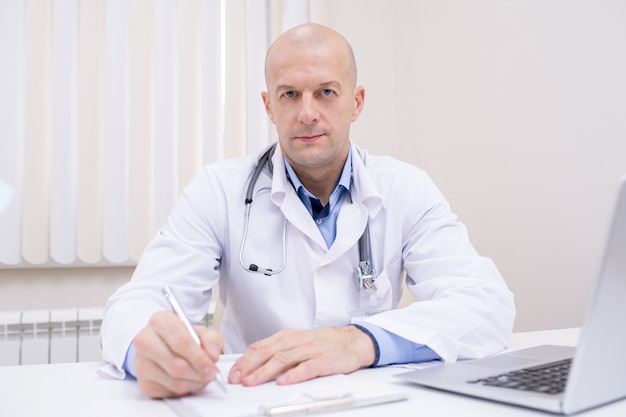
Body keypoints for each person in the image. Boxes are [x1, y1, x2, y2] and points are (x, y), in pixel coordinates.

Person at [100, 22, 515, 399]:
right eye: (289, 94)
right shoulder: (217, 190)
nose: (307, 113)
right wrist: (148, 350)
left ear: (356, 102)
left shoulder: (406, 189)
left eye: (326, 92)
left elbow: (486, 305)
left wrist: (358, 342)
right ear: (269, 106)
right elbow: (137, 302)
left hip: (371, 401)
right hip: (255, 396)